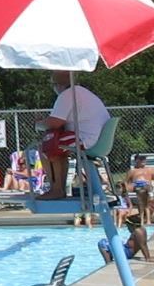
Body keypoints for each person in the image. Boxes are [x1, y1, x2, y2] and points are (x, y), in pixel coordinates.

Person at [38, 71, 110, 223]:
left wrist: (38, 124)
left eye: (53, 84)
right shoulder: (82, 92)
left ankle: (56, 189)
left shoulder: (67, 95)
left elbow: (54, 123)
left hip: (87, 139)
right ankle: (58, 188)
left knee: (48, 145)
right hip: (97, 139)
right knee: (58, 143)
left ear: (58, 84)